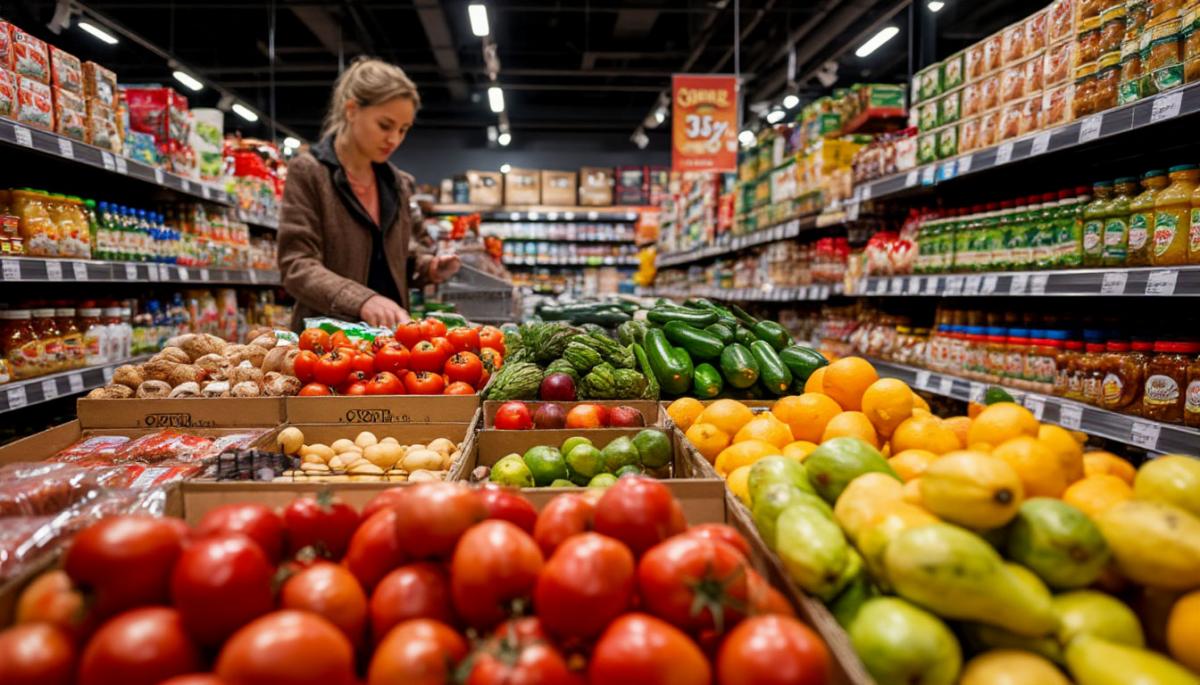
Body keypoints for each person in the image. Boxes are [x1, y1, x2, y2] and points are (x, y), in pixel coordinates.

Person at [277, 58, 460, 331]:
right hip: (325, 345)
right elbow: (297, 265)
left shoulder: (398, 183)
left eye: (403, 129)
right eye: (385, 125)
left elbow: (399, 260)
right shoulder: (310, 172)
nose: (394, 139)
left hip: (390, 344)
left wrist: (428, 268)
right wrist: (362, 300)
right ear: (351, 110)